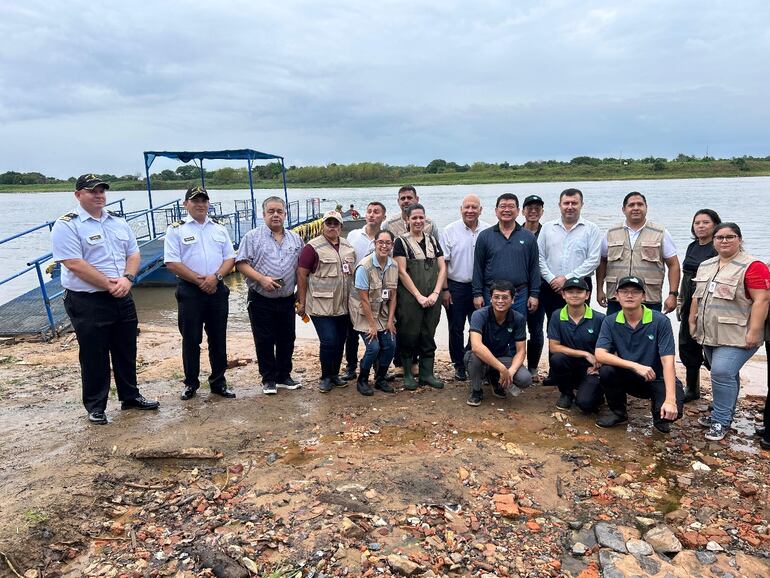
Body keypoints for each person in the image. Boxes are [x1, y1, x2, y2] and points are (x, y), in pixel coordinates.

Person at [51, 174, 159, 424]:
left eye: (102, 191)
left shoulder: (118, 222)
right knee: (94, 354)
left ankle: (130, 396)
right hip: (87, 300)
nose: (99, 195)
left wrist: (128, 279)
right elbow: (74, 263)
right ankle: (96, 405)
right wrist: (109, 284)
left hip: (122, 294)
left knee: (126, 349)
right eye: (92, 191)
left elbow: (133, 253)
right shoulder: (68, 224)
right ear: (78, 195)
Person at [689, 223, 770, 441]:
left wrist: (755, 331)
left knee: (721, 372)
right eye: (720, 237)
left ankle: (721, 420)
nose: (724, 241)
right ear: (713, 241)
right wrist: (691, 320)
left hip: (738, 333)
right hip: (710, 332)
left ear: (740, 239)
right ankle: (725, 412)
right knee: (726, 373)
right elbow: (697, 296)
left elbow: (762, 299)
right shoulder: (706, 264)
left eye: (730, 237)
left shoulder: (753, 265)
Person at [164, 186, 236, 400]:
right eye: (195, 200)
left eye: (204, 200)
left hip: (217, 289)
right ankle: (191, 383)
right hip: (190, 291)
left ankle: (218, 382)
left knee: (218, 338)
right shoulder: (176, 230)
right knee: (191, 339)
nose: (200, 204)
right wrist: (199, 280)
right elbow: (171, 262)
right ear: (186, 204)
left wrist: (216, 278)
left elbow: (230, 258)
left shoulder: (219, 229)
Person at [594, 276, 684, 433]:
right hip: (629, 376)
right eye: (625, 291)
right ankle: (619, 412)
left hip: (656, 378)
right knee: (606, 370)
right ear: (616, 295)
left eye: (635, 292)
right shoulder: (610, 321)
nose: (629, 296)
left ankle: (658, 415)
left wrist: (670, 400)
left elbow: (668, 362)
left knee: (670, 413)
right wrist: (635, 366)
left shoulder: (660, 321)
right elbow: (600, 354)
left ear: (644, 296)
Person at [236, 196, 304, 394]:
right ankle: (268, 379)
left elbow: (301, 269)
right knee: (264, 339)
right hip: (260, 298)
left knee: (287, 338)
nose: (276, 215)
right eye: (271, 211)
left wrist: (300, 293)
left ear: (285, 214)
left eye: (279, 211)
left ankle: (284, 375)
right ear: (263, 214)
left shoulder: (295, 239)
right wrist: (261, 279)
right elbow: (240, 263)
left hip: (286, 298)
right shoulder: (252, 237)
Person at [296, 210, 357, 392]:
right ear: (323, 226)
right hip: (320, 305)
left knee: (340, 341)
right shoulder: (312, 247)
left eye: (335, 224)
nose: (332, 227)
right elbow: (302, 274)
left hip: (343, 305)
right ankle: (325, 376)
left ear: (341, 227)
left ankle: (334, 375)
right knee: (329, 340)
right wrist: (301, 302)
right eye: (328, 223)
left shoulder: (348, 247)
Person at [596, 192, 681, 315]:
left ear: (646, 208)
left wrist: (673, 294)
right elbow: (602, 261)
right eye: (631, 205)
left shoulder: (660, 232)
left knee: (649, 333)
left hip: (649, 298)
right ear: (623, 209)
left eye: (640, 204)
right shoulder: (611, 232)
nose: (636, 208)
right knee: (615, 332)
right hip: (617, 298)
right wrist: (599, 290)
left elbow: (674, 265)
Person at [394, 203, 446, 390]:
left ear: (425, 219)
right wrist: (418, 296)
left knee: (428, 334)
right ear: (407, 220)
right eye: (414, 218)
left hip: (433, 297)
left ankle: (427, 374)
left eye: (421, 217)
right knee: (409, 334)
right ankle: (408, 374)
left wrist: (435, 293)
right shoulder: (401, 242)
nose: (418, 221)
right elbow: (401, 272)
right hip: (410, 299)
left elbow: (442, 268)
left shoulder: (432, 240)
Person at [439, 194, 490, 381]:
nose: (470, 210)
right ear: (461, 209)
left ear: (480, 210)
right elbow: (443, 263)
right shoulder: (449, 230)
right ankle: (458, 364)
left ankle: (471, 356)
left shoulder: (488, 230)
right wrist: (445, 289)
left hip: (480, 287)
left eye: (474, 207)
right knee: (456, 327)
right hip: (456, 286)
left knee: (479, 326)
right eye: (467, 207)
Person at [465, 280, 533, 406]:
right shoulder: (479, 315)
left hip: (502, 356)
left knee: (525, 379)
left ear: (512, 300)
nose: (500, 301)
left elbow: (521, 350)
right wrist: (502, 368)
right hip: (478, 357)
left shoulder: (518, 318)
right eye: (496, 297)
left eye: (505, 297)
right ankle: (476, 390)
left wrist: (510, 371)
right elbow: (476, 346)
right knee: (474, 357)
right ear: (490, 299)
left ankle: (495, 378)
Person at [472, 193, 540, 317]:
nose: (507, 210)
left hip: (520, 294)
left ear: (518, 211)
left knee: (518, 331)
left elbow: (534, 268)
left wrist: (534, 294)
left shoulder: (528, 237)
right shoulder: (485, 236)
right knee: (491, 331)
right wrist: (477, 294)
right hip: (491, 295)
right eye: (503, 206)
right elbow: (478, 267)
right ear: (496, 211)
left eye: (511, 206)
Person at [678, 209, 721, 402]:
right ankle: (692, 388)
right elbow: (685, 276)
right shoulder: (692, 246)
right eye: (697, 223)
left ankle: (720, 395)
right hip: (688, 299)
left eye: (706, 222)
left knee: (713, 349)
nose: (701, 226)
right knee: (688, 344)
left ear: (715, 225)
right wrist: (680, 301)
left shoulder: (718, 247)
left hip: (709, 304)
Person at [349, 230, 399, 395]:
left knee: (391, 344)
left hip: (382, 313)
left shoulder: (393, 265)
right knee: (374, 347)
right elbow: (363, 300)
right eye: (380, 242)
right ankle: (362, 379)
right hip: (365, 314)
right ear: (375, 244)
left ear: (392, 245)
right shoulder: (365, 266)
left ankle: (380, 378)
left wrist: (390, 321)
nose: (384, 246)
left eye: (388, 243)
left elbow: (393, 296)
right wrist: (372, 326)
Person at [547, 277, 605, 412]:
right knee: (557, 358)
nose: (574, 295)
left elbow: (608, 348)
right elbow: (553, 347)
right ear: (563, 295)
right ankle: (566, 393)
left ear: (587, 295)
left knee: (585, 405)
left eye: (579, 292)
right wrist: (585, 353)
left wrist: (599, 363)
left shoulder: (600, 319)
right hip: (569, 365)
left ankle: (596, 392)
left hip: (591, 368)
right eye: (570, 291)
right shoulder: (557, 315)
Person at [520, 194, 546, 378]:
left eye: (537, 208)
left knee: (536, 330)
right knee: (517, 328)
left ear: (542, 212)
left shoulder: (548, 232)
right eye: (529, 208)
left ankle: (533, 367)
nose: (533, 211)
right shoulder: (515, 232)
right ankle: (516, 365)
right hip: (519, 289)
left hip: (541, 288)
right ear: (522, 211)